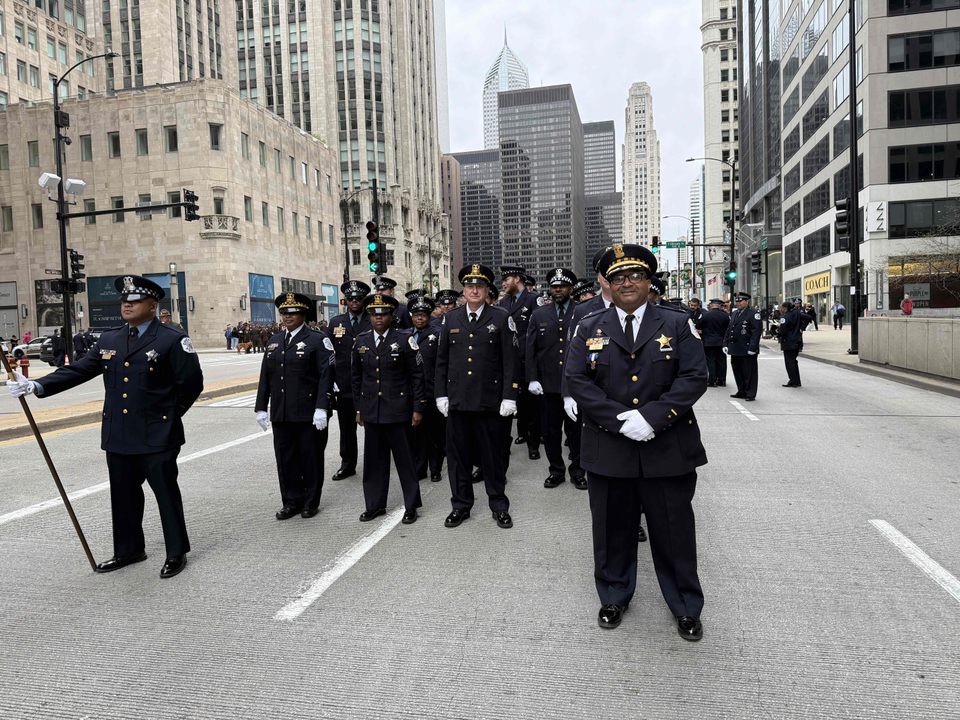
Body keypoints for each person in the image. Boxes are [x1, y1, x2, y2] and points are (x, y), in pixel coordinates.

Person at [8, 275, 204, 578]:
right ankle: (128, 550)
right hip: (119, 434)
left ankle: (176, 551)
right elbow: (80, 369)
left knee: (165, 493)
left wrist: (167, 416)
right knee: (123, 495)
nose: (127, 305)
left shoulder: (171, 339)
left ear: (152, 306)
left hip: (157, 435)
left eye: (135, 301)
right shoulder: (110, 339)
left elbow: (191, 384)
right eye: (124, 301)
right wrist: (36, 385)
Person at [566, 244, 708, 640]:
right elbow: (577, 380)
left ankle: (686, 605)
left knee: (674, 532)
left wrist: (652, 418)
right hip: (609, 448)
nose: (627, 283)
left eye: (635, 276)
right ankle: (614, 595)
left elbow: (694, 377)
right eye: (618, 278)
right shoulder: (589, 326)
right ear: (608, 286)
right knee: (612, 530)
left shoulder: (677, 324)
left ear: (649, 282)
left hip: (666, 447)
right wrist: (618, 420)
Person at [435, 263, 519, 530]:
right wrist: (441, 395)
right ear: (464, 290)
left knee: (492, 457)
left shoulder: (501, 317)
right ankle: (460, 505)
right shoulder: (451, 318)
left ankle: (499, 504)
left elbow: (511, 362)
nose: (474, 290)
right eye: (470, 286)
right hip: (458, 401)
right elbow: (441, 361)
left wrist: (510, 396)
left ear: (487, 290)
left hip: (490, 401)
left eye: (479, 286)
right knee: (458, 458)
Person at [254, 292, 334, 520]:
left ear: (303, 314)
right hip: (282, 411)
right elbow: (266, 377)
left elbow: (326, 375)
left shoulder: (317, 340)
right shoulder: (275, 341)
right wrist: (261, 407)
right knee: (285, 458)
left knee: (309, 457)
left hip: (308, 412)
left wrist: (322, 407)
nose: (287, 317)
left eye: (293, 313)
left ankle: (310, 501)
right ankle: (291, 500)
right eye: (284, 313)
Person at [351, 293, 426, 524]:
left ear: (392, 315)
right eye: (374, 314)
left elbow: (417, 376)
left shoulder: (404, 339)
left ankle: (411, 505)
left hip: (398, 410)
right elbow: (356, 378)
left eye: (383, 314)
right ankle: (374, 505)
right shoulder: (361, 341)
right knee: (374, 463)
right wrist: (358, 408)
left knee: (405, 462)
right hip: (372, 410)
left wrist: (417, 408)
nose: (378, 318)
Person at [526, 267, 585, 490]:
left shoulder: (582, 312)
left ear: (571, 288)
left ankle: (578, 471)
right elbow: (530, 350)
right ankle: (556, 470)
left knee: (576, 432)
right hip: (548, 386)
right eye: (554, 286)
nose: (558, 289)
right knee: (550, 432)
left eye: (562, 286)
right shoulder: (539, 314)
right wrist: (532, 378)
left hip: (575, 385)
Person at [327, 279, 372, 481]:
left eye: (359, 298)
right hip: (344, 385)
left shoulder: (373, 319)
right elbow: (328, 353)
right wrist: (331, 379)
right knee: (346, 429)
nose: (355, 301)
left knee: (373, 427)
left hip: (370, 383)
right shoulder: (336, 322)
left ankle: (375, 462)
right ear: (346, 300)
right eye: (351, 298)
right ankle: (348, 464)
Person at [498, 266, 541, 460]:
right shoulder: (503, 302)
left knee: (530, 406)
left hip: (527, 360)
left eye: (507, 279)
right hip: (507, 361)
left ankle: (533, 444)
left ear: (517, 279)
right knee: (509, 403)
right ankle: (507, 443)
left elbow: (539, 332)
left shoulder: (533, 300)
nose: (504, 283)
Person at [408, 293, 445, 481]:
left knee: (434, 433)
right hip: (413, 392)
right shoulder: (406, 335)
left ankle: (436, 468)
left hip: (432, 390)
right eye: (416, 315)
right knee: (416, 434)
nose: (419, 318)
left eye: (423, 314)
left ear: (429, 315)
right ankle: (419, 468)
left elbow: (442, 364)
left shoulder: (437, 334)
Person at [725, 291, 762, 401]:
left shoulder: (753, 313)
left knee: (749, 373)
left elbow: (756, 332)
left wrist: (752, 348)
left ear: (747, 301)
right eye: (737, 302)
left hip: (746, 348)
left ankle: (750, 393)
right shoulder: (735, 313)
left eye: (740, 301)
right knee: (738, 371)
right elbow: (729, 329)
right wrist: (725, 343)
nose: (738, 303)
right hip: (735, 348)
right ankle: (741, 391)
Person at [697, 298, 730, 387]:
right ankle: (722, 380)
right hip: (721, 341)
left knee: (710, 361)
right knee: (722, 361)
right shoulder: (725, 315)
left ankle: (712, 380)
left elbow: (698, 325)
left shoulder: (706, 315)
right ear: (720, 305)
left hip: (708, 341)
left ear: (712, 305)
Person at [776, 301, 808, 388]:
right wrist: (802, 328)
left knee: (789, 362)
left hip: (788, 341)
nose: (780, 309)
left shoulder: (785, 317)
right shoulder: (797, 313)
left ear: (785, 308)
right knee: (793, 361)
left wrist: (777, 333)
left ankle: (793, 381)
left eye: (781, 308)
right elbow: (808, 317)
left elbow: (783, 330)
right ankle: (797, 381)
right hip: (797, 340)